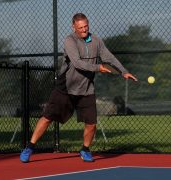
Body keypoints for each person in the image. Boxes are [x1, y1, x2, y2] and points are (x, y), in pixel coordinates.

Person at [20, 13, 137, 163]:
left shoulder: (96, 41)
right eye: (80, 27)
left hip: (86, 88)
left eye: (86, 26)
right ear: (73, 27)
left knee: (91, 123)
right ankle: (30, 147)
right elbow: (77, 63)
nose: (83, 30)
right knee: (48, 117)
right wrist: (98, 67)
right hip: (66, 87)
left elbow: (109, 57)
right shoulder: (70, 40)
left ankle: (85, 149)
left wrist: (124, 71)